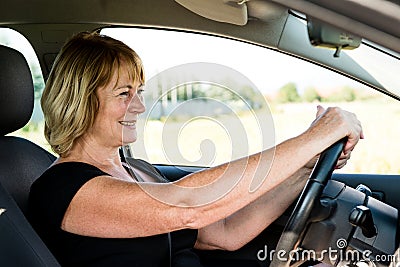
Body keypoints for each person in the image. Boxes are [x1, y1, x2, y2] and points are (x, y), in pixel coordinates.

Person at [28, 31, 363, 267]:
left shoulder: (136, 169)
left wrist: (304, 168)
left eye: (139, 92)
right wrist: (311, 139)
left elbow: (223, 234)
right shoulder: (62, 189)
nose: (139, 107)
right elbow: (188, 205)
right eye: (123, 94)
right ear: (80, 102)